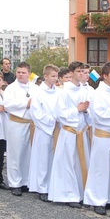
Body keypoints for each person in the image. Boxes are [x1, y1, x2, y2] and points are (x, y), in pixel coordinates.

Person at [47, 61, 93, 207]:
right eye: (78, 71)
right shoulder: (63, 92)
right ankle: (68, 195)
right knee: (67, 164)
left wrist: (86, 111)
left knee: (81, 163)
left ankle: (80, 192)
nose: (81, 74)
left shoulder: (85, 91)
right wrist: (77, 110)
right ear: (71, 73)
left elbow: (90, 113)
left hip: (81, 132)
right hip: (69, 132)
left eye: (83, 71)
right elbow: (59, 114)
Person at [84, 62, 110, 214]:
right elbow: (98, 115)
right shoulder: (98, 93)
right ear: (105, 76)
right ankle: (96, 200)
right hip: (103, 135)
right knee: (100, 169)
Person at [3, 62, 37, 196]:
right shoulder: (11, 88)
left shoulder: (35, 88)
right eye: (18, 72)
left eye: (23, 72)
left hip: (31, 124)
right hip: (17, 123)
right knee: (16, 154)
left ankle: (27, 181)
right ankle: (15, 183)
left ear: (29, 73)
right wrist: (26, 104)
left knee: (29, 153)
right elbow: (8, 105)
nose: (21, 75)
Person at [28, 64, 61, 201]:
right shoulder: (38, 93)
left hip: (57, 128)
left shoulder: (59, 92)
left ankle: (52, 186)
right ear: (45, 76)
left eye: (56, 76)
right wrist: (51, 121)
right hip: (44, 129)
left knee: (54, 158)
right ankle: (42, 187)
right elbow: (36, 113)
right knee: (43, 159)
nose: (55, 79)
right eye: (53, 76)